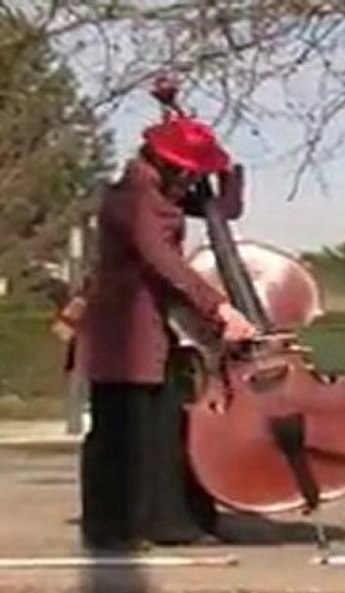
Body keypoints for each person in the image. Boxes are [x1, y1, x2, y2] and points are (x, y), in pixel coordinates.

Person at [75, 109, 256, 551]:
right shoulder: (135, 197)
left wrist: (227, 172)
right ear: (171, 164)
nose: (194, 182)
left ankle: (170, 521)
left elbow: (223, 211)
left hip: (154, 331)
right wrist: (220, 309)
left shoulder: (159, 191)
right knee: (122, 432)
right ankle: (114, 528)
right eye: (191, 171)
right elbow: (163, 261)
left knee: (163, 428)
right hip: (125, 333)